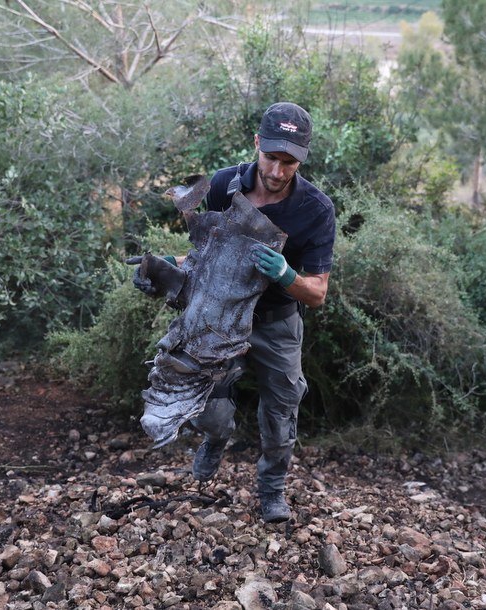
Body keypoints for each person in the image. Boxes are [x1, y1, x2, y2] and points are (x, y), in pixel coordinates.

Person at [188, 102, 336, 523]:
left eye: (289, 162)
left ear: (302, 159)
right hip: (221, 315)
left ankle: (272, 488)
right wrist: (162, 268)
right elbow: (203, 256)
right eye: (271, 157)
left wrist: (286, 275)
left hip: (277, 322)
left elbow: (317, 293)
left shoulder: (316, 209)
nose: (276, 171)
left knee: (281, 411)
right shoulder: (223, 186)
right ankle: (216, 439)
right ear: (257, 143)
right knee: (209, 407)